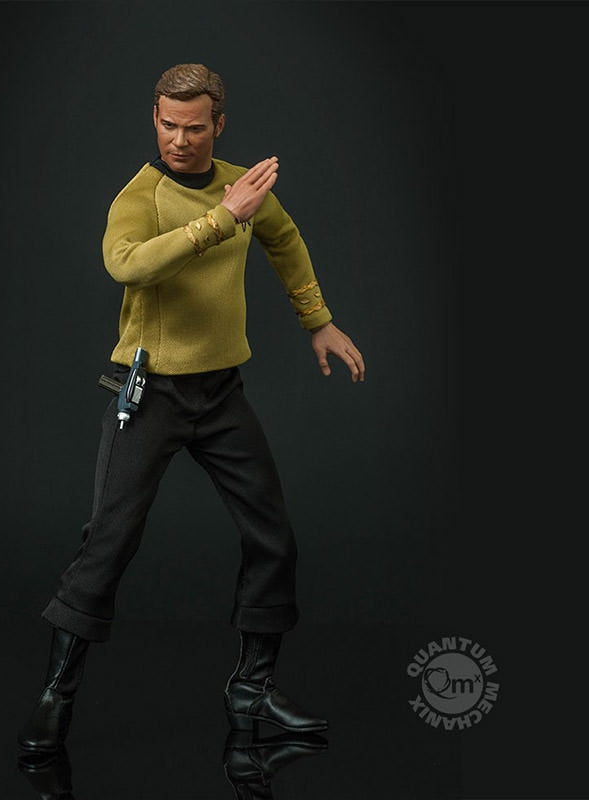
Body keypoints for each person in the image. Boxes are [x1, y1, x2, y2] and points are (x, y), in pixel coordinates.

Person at [19, 63, 365, 754]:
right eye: (168, 125)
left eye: (195, 127)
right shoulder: (141, 195)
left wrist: (318, 320)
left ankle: (251, 687)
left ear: (219, 125)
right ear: (155, 120)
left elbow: (284, 239)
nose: (180, 140)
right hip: (150, 392)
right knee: (108, 544)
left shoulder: (242, 186)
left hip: (221, 392)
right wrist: (218, 220)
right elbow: (128, 264)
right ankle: (56, 696)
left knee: (273, 536)